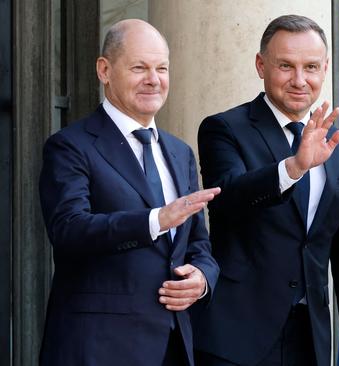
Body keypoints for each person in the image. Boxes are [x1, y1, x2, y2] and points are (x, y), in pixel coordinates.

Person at [191, 14, 339, 366]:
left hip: (311, 340)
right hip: (235, 339)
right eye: (285, 66)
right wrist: (294, 168)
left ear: (324, 69)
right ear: (261, 66)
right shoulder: (224, 128)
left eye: (310, 67)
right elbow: (229, 198)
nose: (299, 80)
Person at [39, 19, 220, 366]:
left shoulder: (180, 153)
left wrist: (202, 278)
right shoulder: (70, 146)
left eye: (162, 68)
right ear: (104, 70)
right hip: (99, 348)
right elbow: (69, 230)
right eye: (139, 67)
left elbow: (198, 243)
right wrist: (155, 220)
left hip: (173, 346)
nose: (154, 79)